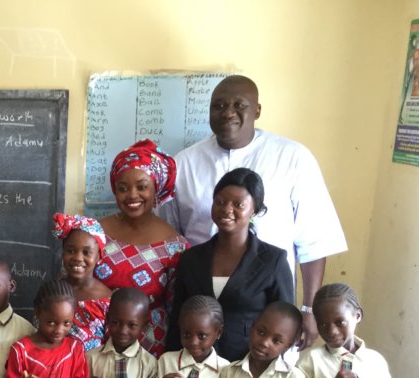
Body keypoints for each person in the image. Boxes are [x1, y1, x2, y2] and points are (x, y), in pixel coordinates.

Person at [162, 75, 347, 348]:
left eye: (239, 105)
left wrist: (309, 310)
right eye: (219, 105)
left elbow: (314, 242)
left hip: (265, 313)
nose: (228, 113)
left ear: (257, 110)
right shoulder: (183, 164)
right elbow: (168, 239)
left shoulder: (293, 158)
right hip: (197, 319)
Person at [165, 169, 293, 362]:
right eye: (220, 202)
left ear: (255, 210)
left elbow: (284, 323)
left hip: (247, 365)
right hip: (195, 365)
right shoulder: (191, 258)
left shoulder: (273, 260)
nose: (226, 209)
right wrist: (171, 363)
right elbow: (178, 318)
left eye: (238, 204)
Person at [95, 139, 188, 357]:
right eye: (123, 188)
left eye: (142, 186)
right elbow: (72, 286)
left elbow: (176, 309)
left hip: (150, 347)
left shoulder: (175, 246)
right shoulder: (94, 233)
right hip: (96, 344)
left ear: (156, 187)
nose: (132, 195)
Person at [2, 279, 88, 378]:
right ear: (37, 312)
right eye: (51, 322)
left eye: (67, 323)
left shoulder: (75, 349)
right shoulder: (20, 350)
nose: (59, 330)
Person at [85, 288, 156, 378]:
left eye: (132, 325)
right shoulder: (89, 358)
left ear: (144, 326)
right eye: (116, 322)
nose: (123, 331)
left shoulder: (150, 364)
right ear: (108, 319)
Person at [156, 295, 230, 378]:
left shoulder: (225, 369)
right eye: (186, 334)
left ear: (219, 332)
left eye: (202, 336)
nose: (193, 342)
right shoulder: (166, 360)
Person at [53, 214, 112, 350]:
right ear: (63, 253)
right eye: (71, 251)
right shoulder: (52, 292)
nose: (78, 258)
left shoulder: (107, 301)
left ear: (99, 256)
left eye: (86, 252)